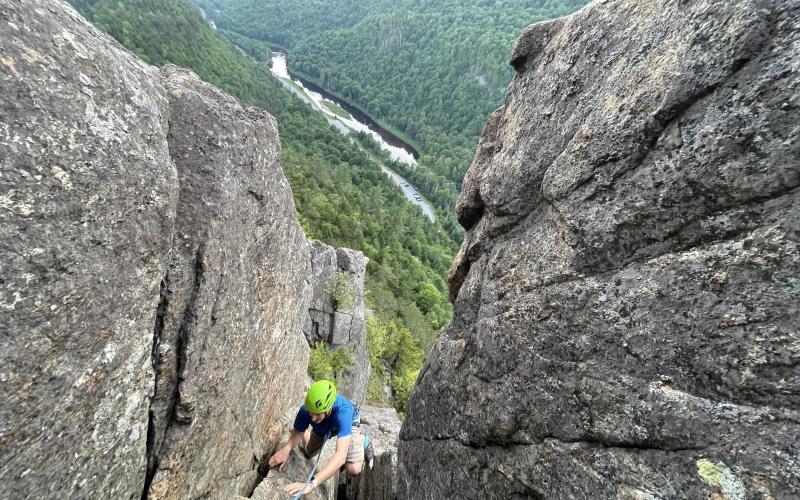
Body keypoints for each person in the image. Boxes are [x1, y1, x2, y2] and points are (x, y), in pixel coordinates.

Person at [268, 380, 374, 496]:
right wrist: (287, 449)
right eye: (311, 413)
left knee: (354, 469)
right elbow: (299, 432)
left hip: (349, 422)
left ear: (328, 410)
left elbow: (340, 457)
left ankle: (363, 441)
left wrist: (311, 484)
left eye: (317, 414)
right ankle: (314, 429)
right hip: (324, 424)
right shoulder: (306, 410)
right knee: (308, 452)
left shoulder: (343, 412)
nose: (312, 419)